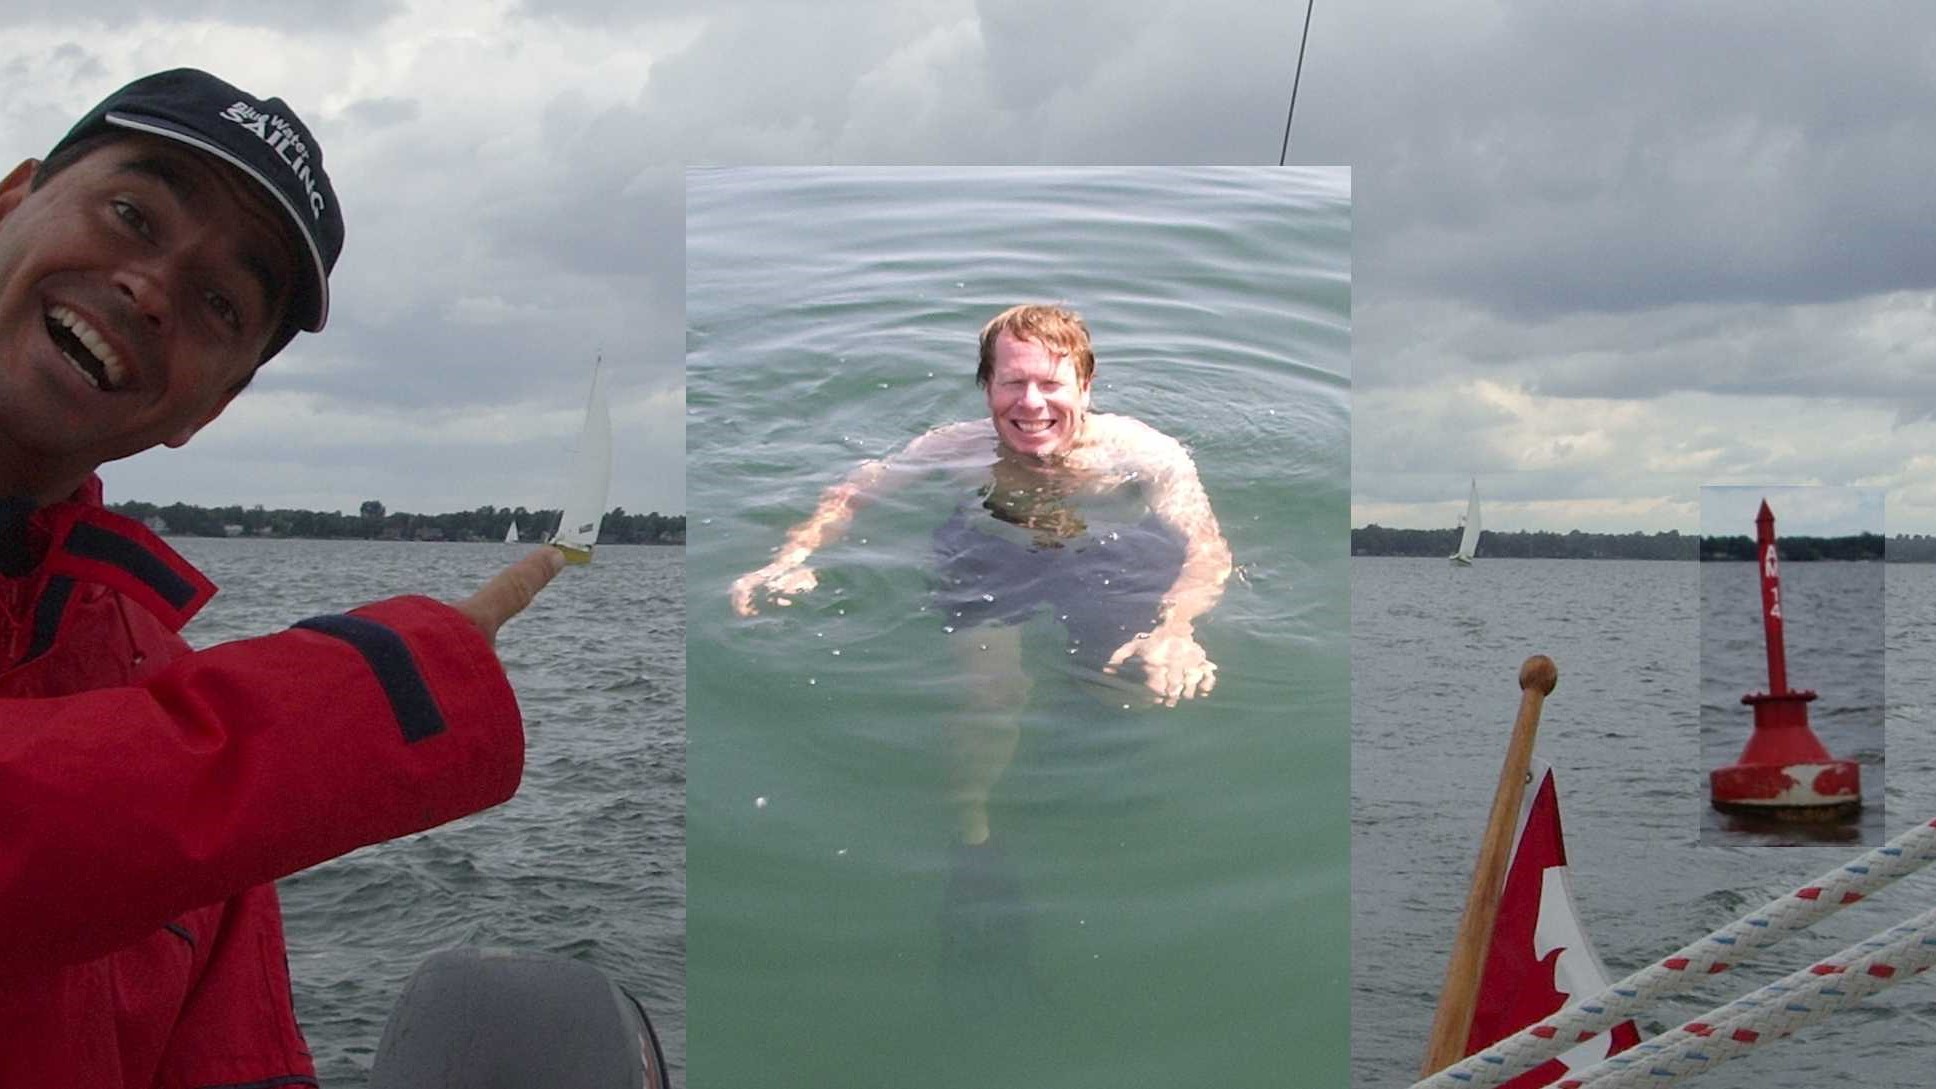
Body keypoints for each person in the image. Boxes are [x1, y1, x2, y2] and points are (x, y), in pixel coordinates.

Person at [0, 69, 562, 1085]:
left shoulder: (153, 684)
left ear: (206, 410)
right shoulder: (206, 736)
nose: (151, 289)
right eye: (132, 214)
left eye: (220, 303)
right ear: (11, 198)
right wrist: (377, 694)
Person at [731, 304, 1232, 850]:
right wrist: (791, 558)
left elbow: (1207, 548)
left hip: (1106, 551)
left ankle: (1083, 750)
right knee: (988, 696)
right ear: (987, 387)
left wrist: (1177, 627)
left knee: (1134, 684)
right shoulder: (953, 448)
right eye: (1013, 382)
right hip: (994, 546)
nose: (1032, 402)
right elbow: (853, 494)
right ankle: (973, 835)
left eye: (1051, 384)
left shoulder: (1145, 454)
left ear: (1085, 387)